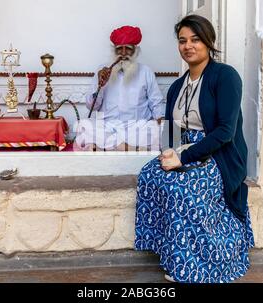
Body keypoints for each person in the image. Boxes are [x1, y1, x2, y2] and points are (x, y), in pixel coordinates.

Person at [134, 15, 254, 283]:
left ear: (208, 42)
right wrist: (167, 152)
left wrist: (183, 157)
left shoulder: (225, 76)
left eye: (195, 39)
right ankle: (172, 252)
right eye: (182, 41)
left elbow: (225, 131)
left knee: (182, 187)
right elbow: (170, 129)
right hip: (182, 151)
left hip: (218, 154)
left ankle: (199, 263)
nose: (188, 46)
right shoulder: (178, 86)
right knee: (149, 175)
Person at [75, 25, 165, 151]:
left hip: (137, 129)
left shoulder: (145, 72)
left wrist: (161, 122)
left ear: (135, 50)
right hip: (108, 128)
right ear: (114, 51)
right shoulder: (103, 71)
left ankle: (114, 146)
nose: (123, 53)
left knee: (165, 129)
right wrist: (101, 86)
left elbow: (156, 103)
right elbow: (92, 106)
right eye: (119, 49)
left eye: (128, 49)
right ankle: (128, 147)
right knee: (83, 127)